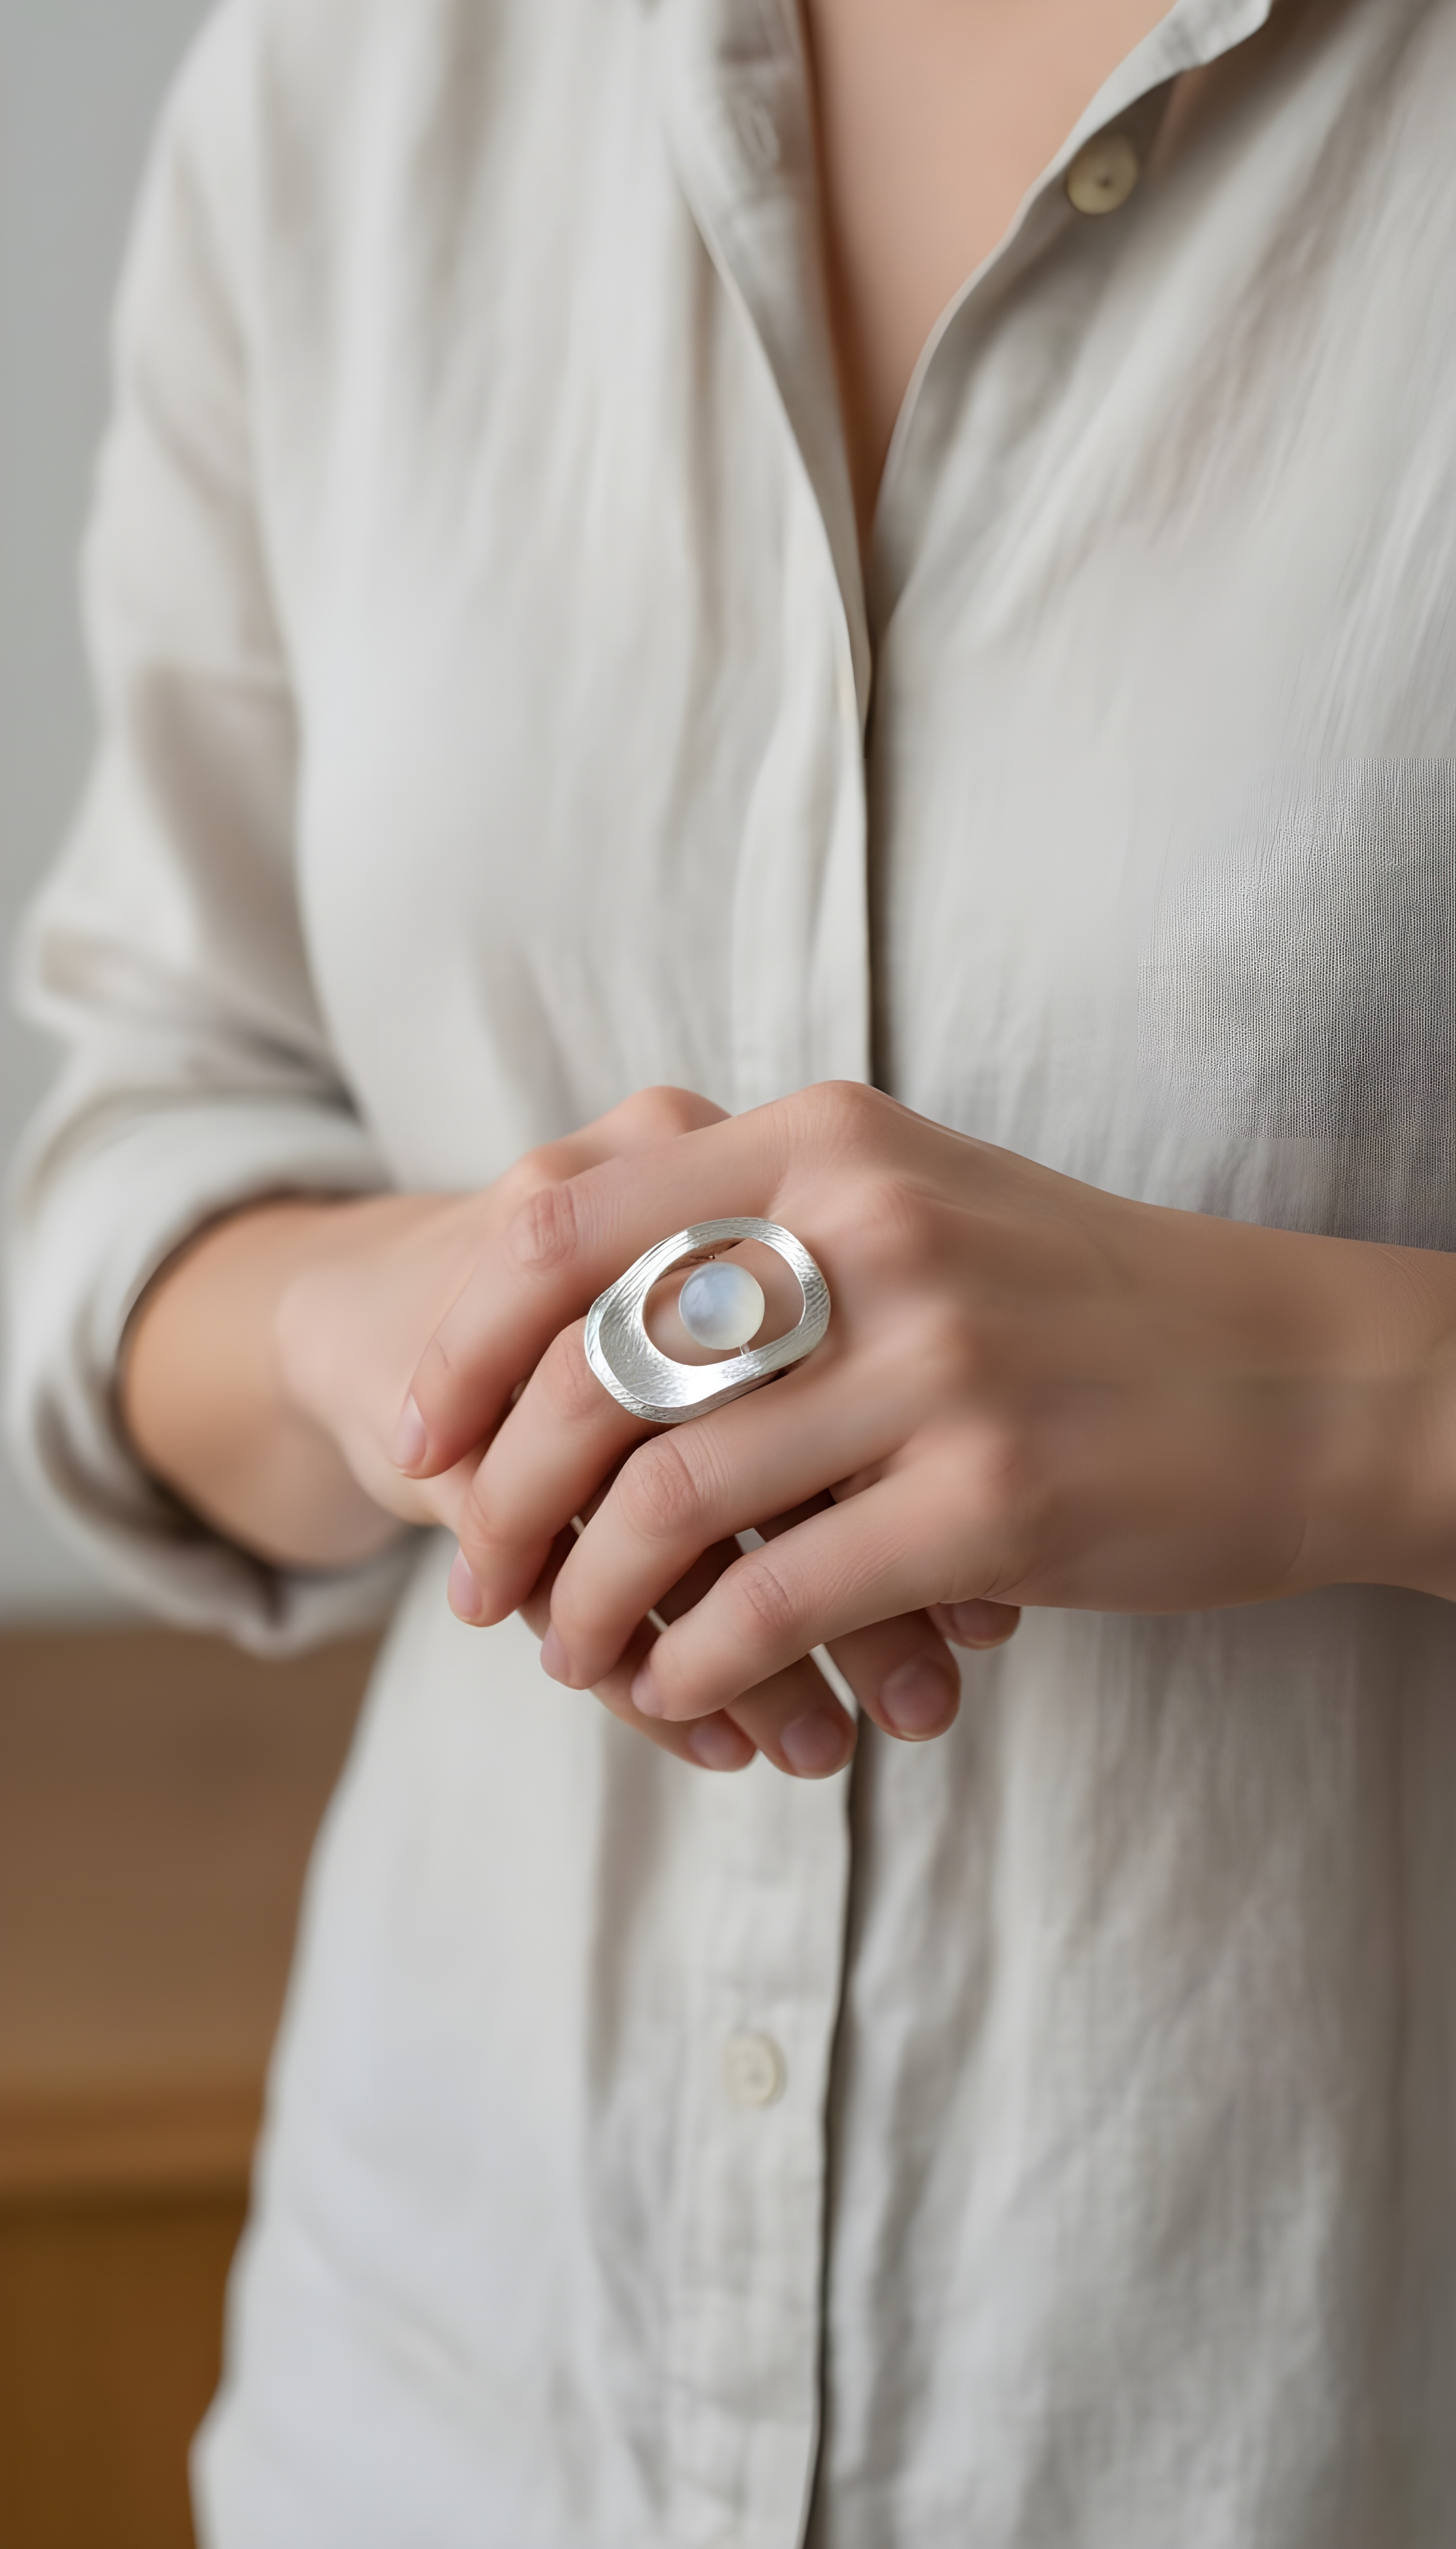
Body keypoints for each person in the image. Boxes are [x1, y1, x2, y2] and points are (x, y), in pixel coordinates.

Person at [9, 0, 1456, 2537]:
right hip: (444, 2404)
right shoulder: (357, 78)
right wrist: (414, 1325)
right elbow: (129, 1156)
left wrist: (1342, 1410)